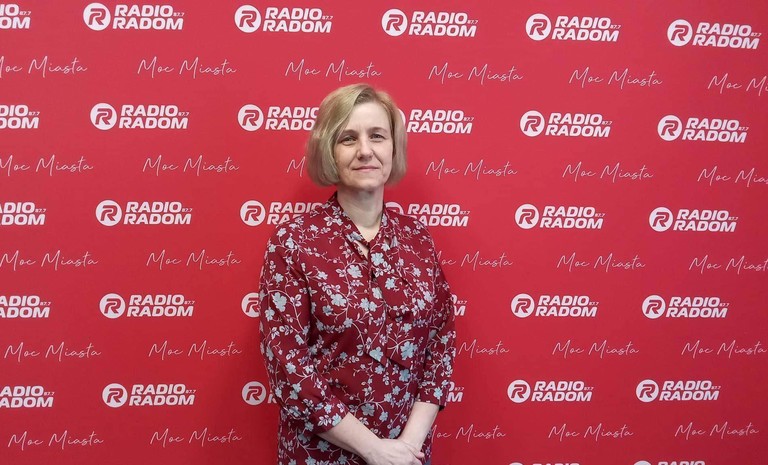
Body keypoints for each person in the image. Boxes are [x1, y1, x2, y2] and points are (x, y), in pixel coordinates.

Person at [258, 83, 456, 465]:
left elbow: (441, 344)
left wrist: (407, 447)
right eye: (348, 138)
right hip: (320, 455)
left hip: (407, 456)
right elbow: (289, 369)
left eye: (377, 136)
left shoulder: (418, 239)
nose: (365, 150)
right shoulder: (293, 243)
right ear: (328, 151)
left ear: (393, 147)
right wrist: (373, 450)